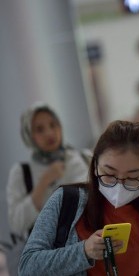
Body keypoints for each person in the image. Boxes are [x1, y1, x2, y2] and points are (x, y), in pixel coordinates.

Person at [19, 120, 139, 276]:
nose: (119, 185)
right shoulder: (66, 201)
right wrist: (84, 252)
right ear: (95, 165)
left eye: (132, 177)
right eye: (109, 174)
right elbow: (27, 267)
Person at [5, 102, 90, 274]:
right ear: (29, 135)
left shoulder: (85, 158)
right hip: (50, 262)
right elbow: (16, 223)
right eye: (39, 129)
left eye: (53, 125)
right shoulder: (22, 173)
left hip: (90, 253)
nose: (49, 133)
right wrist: (44, 183)